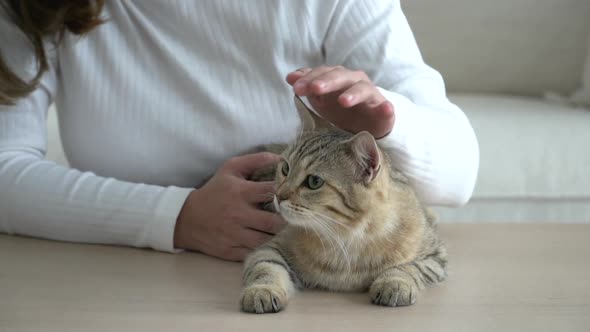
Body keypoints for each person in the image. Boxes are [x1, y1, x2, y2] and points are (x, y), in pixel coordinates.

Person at [0, 1, 479, 261]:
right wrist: (175, 216)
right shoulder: (35, 10)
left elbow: (458, 176)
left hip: (315, 291)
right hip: (123, 279)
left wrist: (388, 122)